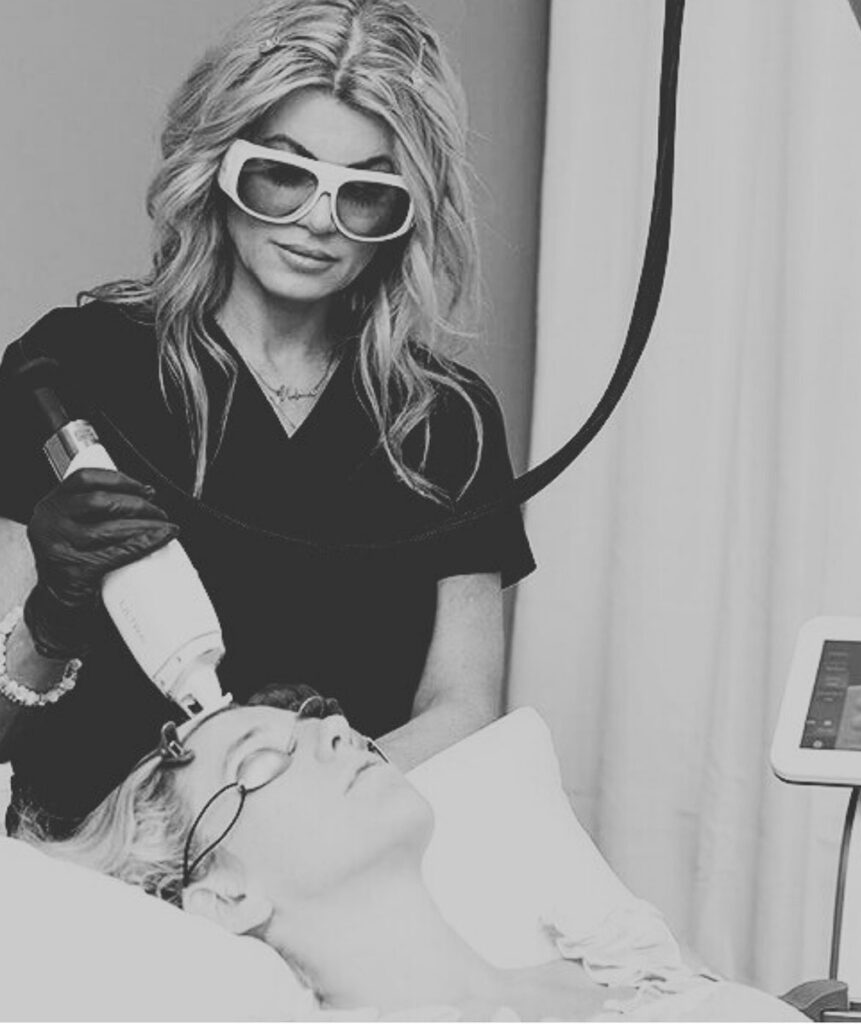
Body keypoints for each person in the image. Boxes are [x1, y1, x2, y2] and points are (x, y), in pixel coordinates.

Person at [0, 0, 534, 837]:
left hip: (321, 869)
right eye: (284, 174)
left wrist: (281, 819)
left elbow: (462, 708)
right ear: (219, 166)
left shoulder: (445, 421)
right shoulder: (67, 371)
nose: (319, 220)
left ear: (404, 217)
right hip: (89, 865)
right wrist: (48, 620)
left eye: (365, 195)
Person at [21, 688, 804, 1021]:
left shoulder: (621, 954)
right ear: (225, 896)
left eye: (315, 720)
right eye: (258, 759)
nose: (336, 730)